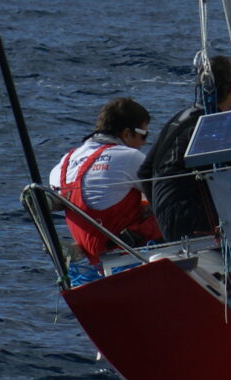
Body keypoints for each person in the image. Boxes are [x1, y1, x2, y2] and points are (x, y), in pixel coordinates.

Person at [142, 56, 231, 242]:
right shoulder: (217, 124)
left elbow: (144, 172)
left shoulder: (180, 118)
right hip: (197, 226)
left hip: (169, 225)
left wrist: (161, 214)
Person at [49, 97, 162, 262]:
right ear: (126, 133)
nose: (144, 143)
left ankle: (77, 249)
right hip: (126, 250)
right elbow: (167, 195)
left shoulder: (62, 164)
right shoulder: (130, 157)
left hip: (94, 255)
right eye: (143, 135)